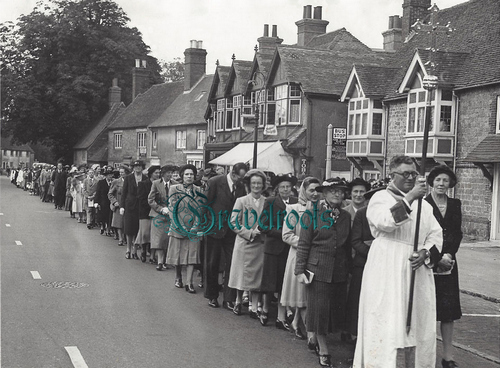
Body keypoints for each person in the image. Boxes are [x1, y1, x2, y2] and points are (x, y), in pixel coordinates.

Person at [353, 155, 444, 368]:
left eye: (414, 174)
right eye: (405, 174)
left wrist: (425, 253)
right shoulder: (380, 198)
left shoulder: (426, 206)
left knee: (416, 323)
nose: (411, 178)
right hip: (387, 266)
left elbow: (436, 235)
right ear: (392, 175)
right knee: (386, 320)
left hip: (416, 269)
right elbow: (386, 222)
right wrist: (410, 197)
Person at [295, 177, 352, 368]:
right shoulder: (311, 214)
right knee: (319, 309)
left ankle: (316, 337)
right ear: (324, 193)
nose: (337, 194)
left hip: (339, 270)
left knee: (333, 310)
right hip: (317, 269)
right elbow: (303, 244)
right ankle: (324, 349)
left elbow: (347, 245)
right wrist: (300, 270)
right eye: (333, 190)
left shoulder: (345, 216)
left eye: (341, 191)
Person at [425, 165, 463, 368]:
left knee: (448, 313)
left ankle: (448, 357)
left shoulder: (455, 204)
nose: (441, 184)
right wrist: (437, 258)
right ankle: (427, 354)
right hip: (428, 262)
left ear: (450, 184)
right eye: (438, 180)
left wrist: (448, 255)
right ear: (431, 182)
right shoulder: (423, 204)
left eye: (445, 181)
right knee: (428, 311)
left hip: (449, 263)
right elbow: (422, 236)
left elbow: (457, 233)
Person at [344, 179, 388, 346]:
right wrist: (373, 253)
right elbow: (355, 241)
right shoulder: (363, 214)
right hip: (363, 263)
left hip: (384, 266)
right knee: (357, 299)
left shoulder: (391, 214)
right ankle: (355, 333)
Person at [204, 162, 248, 309]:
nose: (239, 181)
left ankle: (228, 298)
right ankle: (212, 296)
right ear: (232, 173)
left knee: (231, 263)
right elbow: (205, 204)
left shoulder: (241, 186)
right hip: (214, 228)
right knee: (212, 263)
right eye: (238, 177)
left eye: (241, 178)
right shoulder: (215, 182)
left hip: (231, 230)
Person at [281, 176, 321, 340]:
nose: (315, 194)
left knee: (306, 295)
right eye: (311, 190)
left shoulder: (322, 210)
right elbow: (286, 235)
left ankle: (297, 323)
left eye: (318, 190)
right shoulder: (294, 209)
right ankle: (311, 335)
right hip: (299, 255)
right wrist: (306, 243)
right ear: (303, 190)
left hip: (316, 257)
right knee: (300, 294)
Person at [259, 173, 298, 328]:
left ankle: (281, 316)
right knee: (269, 283)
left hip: (289, 248)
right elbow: (263, 225)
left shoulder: (295, 202)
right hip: (273, 247)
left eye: (288, 187)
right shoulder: (270, 202)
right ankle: (265, 310)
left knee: (284, 283)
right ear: (277, 189)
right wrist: (281, 233)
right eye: (282, 187)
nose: (285, 190)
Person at [227, 169, 267, 317]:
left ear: (263, 185)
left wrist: (262, 230)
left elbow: (269, 220)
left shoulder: (266, 201)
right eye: (254, 183)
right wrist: (249, 233)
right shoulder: (241, 201)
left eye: (259, 183)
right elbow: (233, 222)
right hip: (244, 243)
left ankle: (254, 307)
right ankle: (238, 301)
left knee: (257, 275)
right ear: (249, 185)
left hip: (260, 244)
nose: (256, 186)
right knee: (241, 274)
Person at [166, 164, 202, 293]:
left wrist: (195, 226)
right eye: (186, 174)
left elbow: (200, 210)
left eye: (191, 174)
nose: (189, 176)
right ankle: (178, 277)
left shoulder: (199, 190)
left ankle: (189, 282)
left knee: (192, 255)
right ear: (182, 176)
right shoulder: (174, 189)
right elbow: (172, 208)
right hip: (178, 226)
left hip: (193, 228)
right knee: (178, 254)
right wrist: (178, 225)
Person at [148, 165, 176, 271]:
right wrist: (160, 209)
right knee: (159, 239)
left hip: (170, 215)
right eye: (168, 173)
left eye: (171, 173)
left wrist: (171, 209)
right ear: (162, 174)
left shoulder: (176, 184)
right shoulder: (156, 184)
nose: (170, 175)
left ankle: (165, 261)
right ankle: (160, 262)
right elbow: (150, 199)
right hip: (158, 214)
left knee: (167, 238)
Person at [120, 160, 147, 259]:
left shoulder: (145, 178)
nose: (137, 168)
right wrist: (122, 206)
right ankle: (128, 249)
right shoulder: (128, 178)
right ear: (133, 168)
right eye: (135, 166)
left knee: (138, 229)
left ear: (142, 167)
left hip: (141, 207)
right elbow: (124, 193)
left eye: (139, 166)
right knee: (129, 229)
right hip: (130, 206)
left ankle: (135, 250)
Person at [135, 165, 161, 262]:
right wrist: (151, 204)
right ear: (151, 174)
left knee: (154, 234)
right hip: (145, 212)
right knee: (145, 233)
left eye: (159, 173)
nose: (158, 175)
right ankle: (143, 250)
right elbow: (140, 198)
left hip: (156, 211)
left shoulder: (160, 184)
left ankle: (152, 256)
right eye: (156, 173)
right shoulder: (143, 184)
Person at [109, 165, 129, 246]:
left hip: (128, 205)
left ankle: (126, 238)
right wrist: (114, 202)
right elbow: (110, 193)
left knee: (126, 223)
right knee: (119, 223)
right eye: (120, 172)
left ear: (127, 173)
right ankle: (120, 238)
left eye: (123, 172)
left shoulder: (130, 181)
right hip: (119, 204)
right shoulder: (116, 182)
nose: (121, 174)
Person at [95, 166, 115, 236]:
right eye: (108, 175)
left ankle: (108, 229)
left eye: (111, 175)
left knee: (110, 216)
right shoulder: (101, 182)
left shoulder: (114, 182)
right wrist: (96, 202)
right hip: (103, 202)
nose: (110, 176)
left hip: (111, 202)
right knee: (103, 216)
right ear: (106, 176)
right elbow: (98, 192)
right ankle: (102, 226)